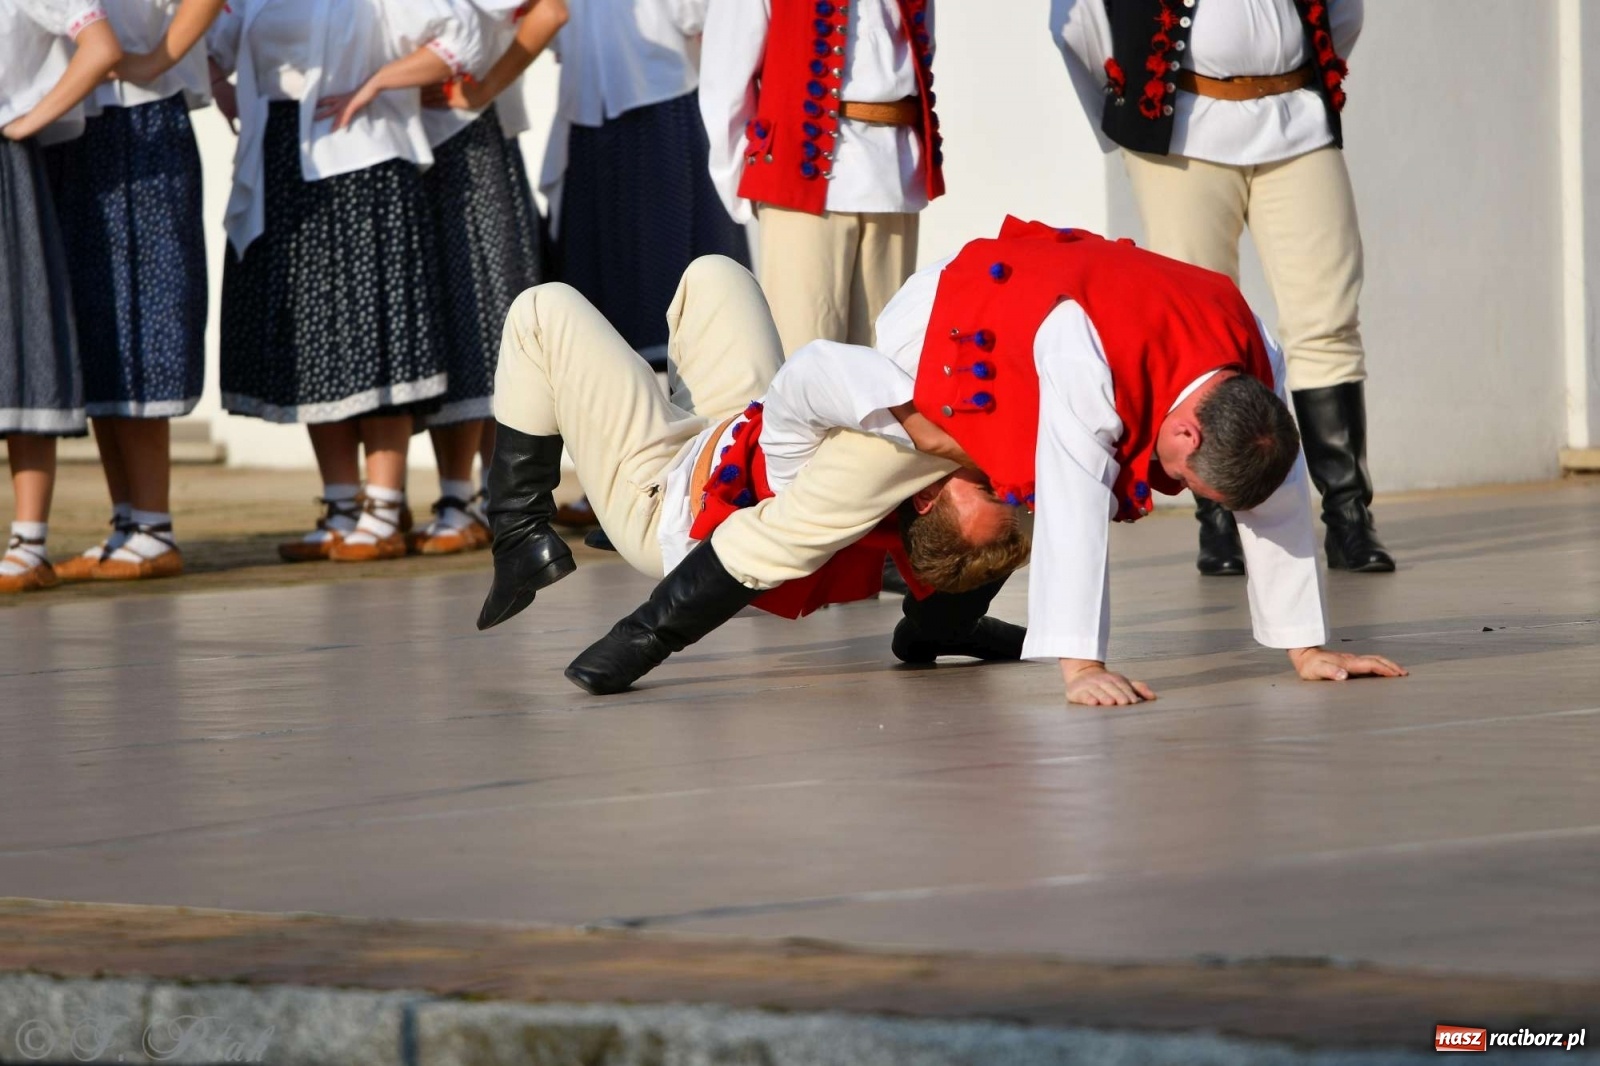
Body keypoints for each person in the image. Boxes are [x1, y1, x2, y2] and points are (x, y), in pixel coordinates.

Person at [877, 218, 1405, 706]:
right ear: (1185, 430)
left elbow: (1280, 498)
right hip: (944, 327)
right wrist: (1083, 667)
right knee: (1005, 480)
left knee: (1026, 480)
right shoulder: (1087, 359)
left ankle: (941, 627)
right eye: (1184, 475)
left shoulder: (1257, 361)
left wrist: (1307, 648)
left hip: (1042, 320)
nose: (1174, 483)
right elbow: (1072, 505)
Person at [475, 255, 1031, 693]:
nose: (992, 478)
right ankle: (946, 629)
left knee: (541, 311)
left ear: (929, 498)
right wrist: (942, 628)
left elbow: (815, 367)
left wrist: (638, 641)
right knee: (714, 276)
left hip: (663, 500)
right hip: (735, 431)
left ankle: (518, 532)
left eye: (982, 487)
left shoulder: (865, 475)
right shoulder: (931, 475)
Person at [1051, 0, 1392, 577]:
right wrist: (1126, 111)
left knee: (1327, 319)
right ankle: (1217, 518)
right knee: (1195, 334)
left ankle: (1349, 517)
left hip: (1295, 117)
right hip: (1183, 120)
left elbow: (1343, 12)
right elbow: (1079, 22)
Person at [207, 0, 482, 563]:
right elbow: (206, 40)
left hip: (363, 167)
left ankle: (383, 508)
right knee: (311, 341)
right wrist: (223, 87)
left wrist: (380, 80)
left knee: (372, 337)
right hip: (282, 164)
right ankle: (340, 507)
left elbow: (461, 37)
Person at [43, 0, 223, 583]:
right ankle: (127, 521)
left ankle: (153, 523)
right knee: (97, 327)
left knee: (144, 315)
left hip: (138, 123)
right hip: (73, 122)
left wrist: (155, 60)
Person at [408, 0, 566, 556]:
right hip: (409, 147)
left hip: (472, 143)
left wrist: (480, 89)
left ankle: (497, 497)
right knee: (448, 320)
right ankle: (463, 495)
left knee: (487, 314)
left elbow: (549, 11)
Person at [699, 0, 941, 357]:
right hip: (801, 175)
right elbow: (726, 73)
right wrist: (742, 180)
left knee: (886, 362)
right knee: (804, 359)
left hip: (893, 172)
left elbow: (920, 45)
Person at [0, 0, 123, 594]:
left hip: (5, 170)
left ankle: (29, 542)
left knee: (19, 341)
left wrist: (24, 121)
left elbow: (101, 47)